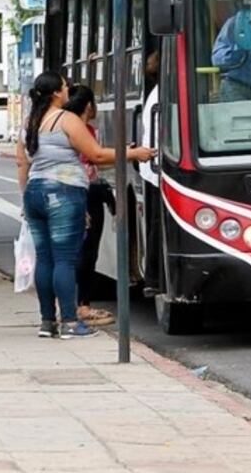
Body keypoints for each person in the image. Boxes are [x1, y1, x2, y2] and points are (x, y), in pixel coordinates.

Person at [17, 71, 154, 339]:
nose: (68, 90)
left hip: (35, 192)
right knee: (65, 261)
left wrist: (24, 197)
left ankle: (47, 322)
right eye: (65, 86)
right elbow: (96, 155)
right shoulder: (66, 119)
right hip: (63, 192)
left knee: (45, 260)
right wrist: (134, 153)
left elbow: (23, 162)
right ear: (57, 92)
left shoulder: (29, 122)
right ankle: (70, 321)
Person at [64, 85, 115, 326]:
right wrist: (131, 153)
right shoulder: (82, 130)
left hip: (74, 191)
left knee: (74, 252)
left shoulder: (60, 126)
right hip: (84, 191)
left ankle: (71, 304)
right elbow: (95, 158)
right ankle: (81, 305)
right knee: (88, 250)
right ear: (88, 106)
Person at [139, 52, 163, 296]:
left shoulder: (155, 93)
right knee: (158, 224)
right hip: (158, 170)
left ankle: (154, 278)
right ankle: (154, 279)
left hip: (155, 168)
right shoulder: (161, 96)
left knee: (157, 224)